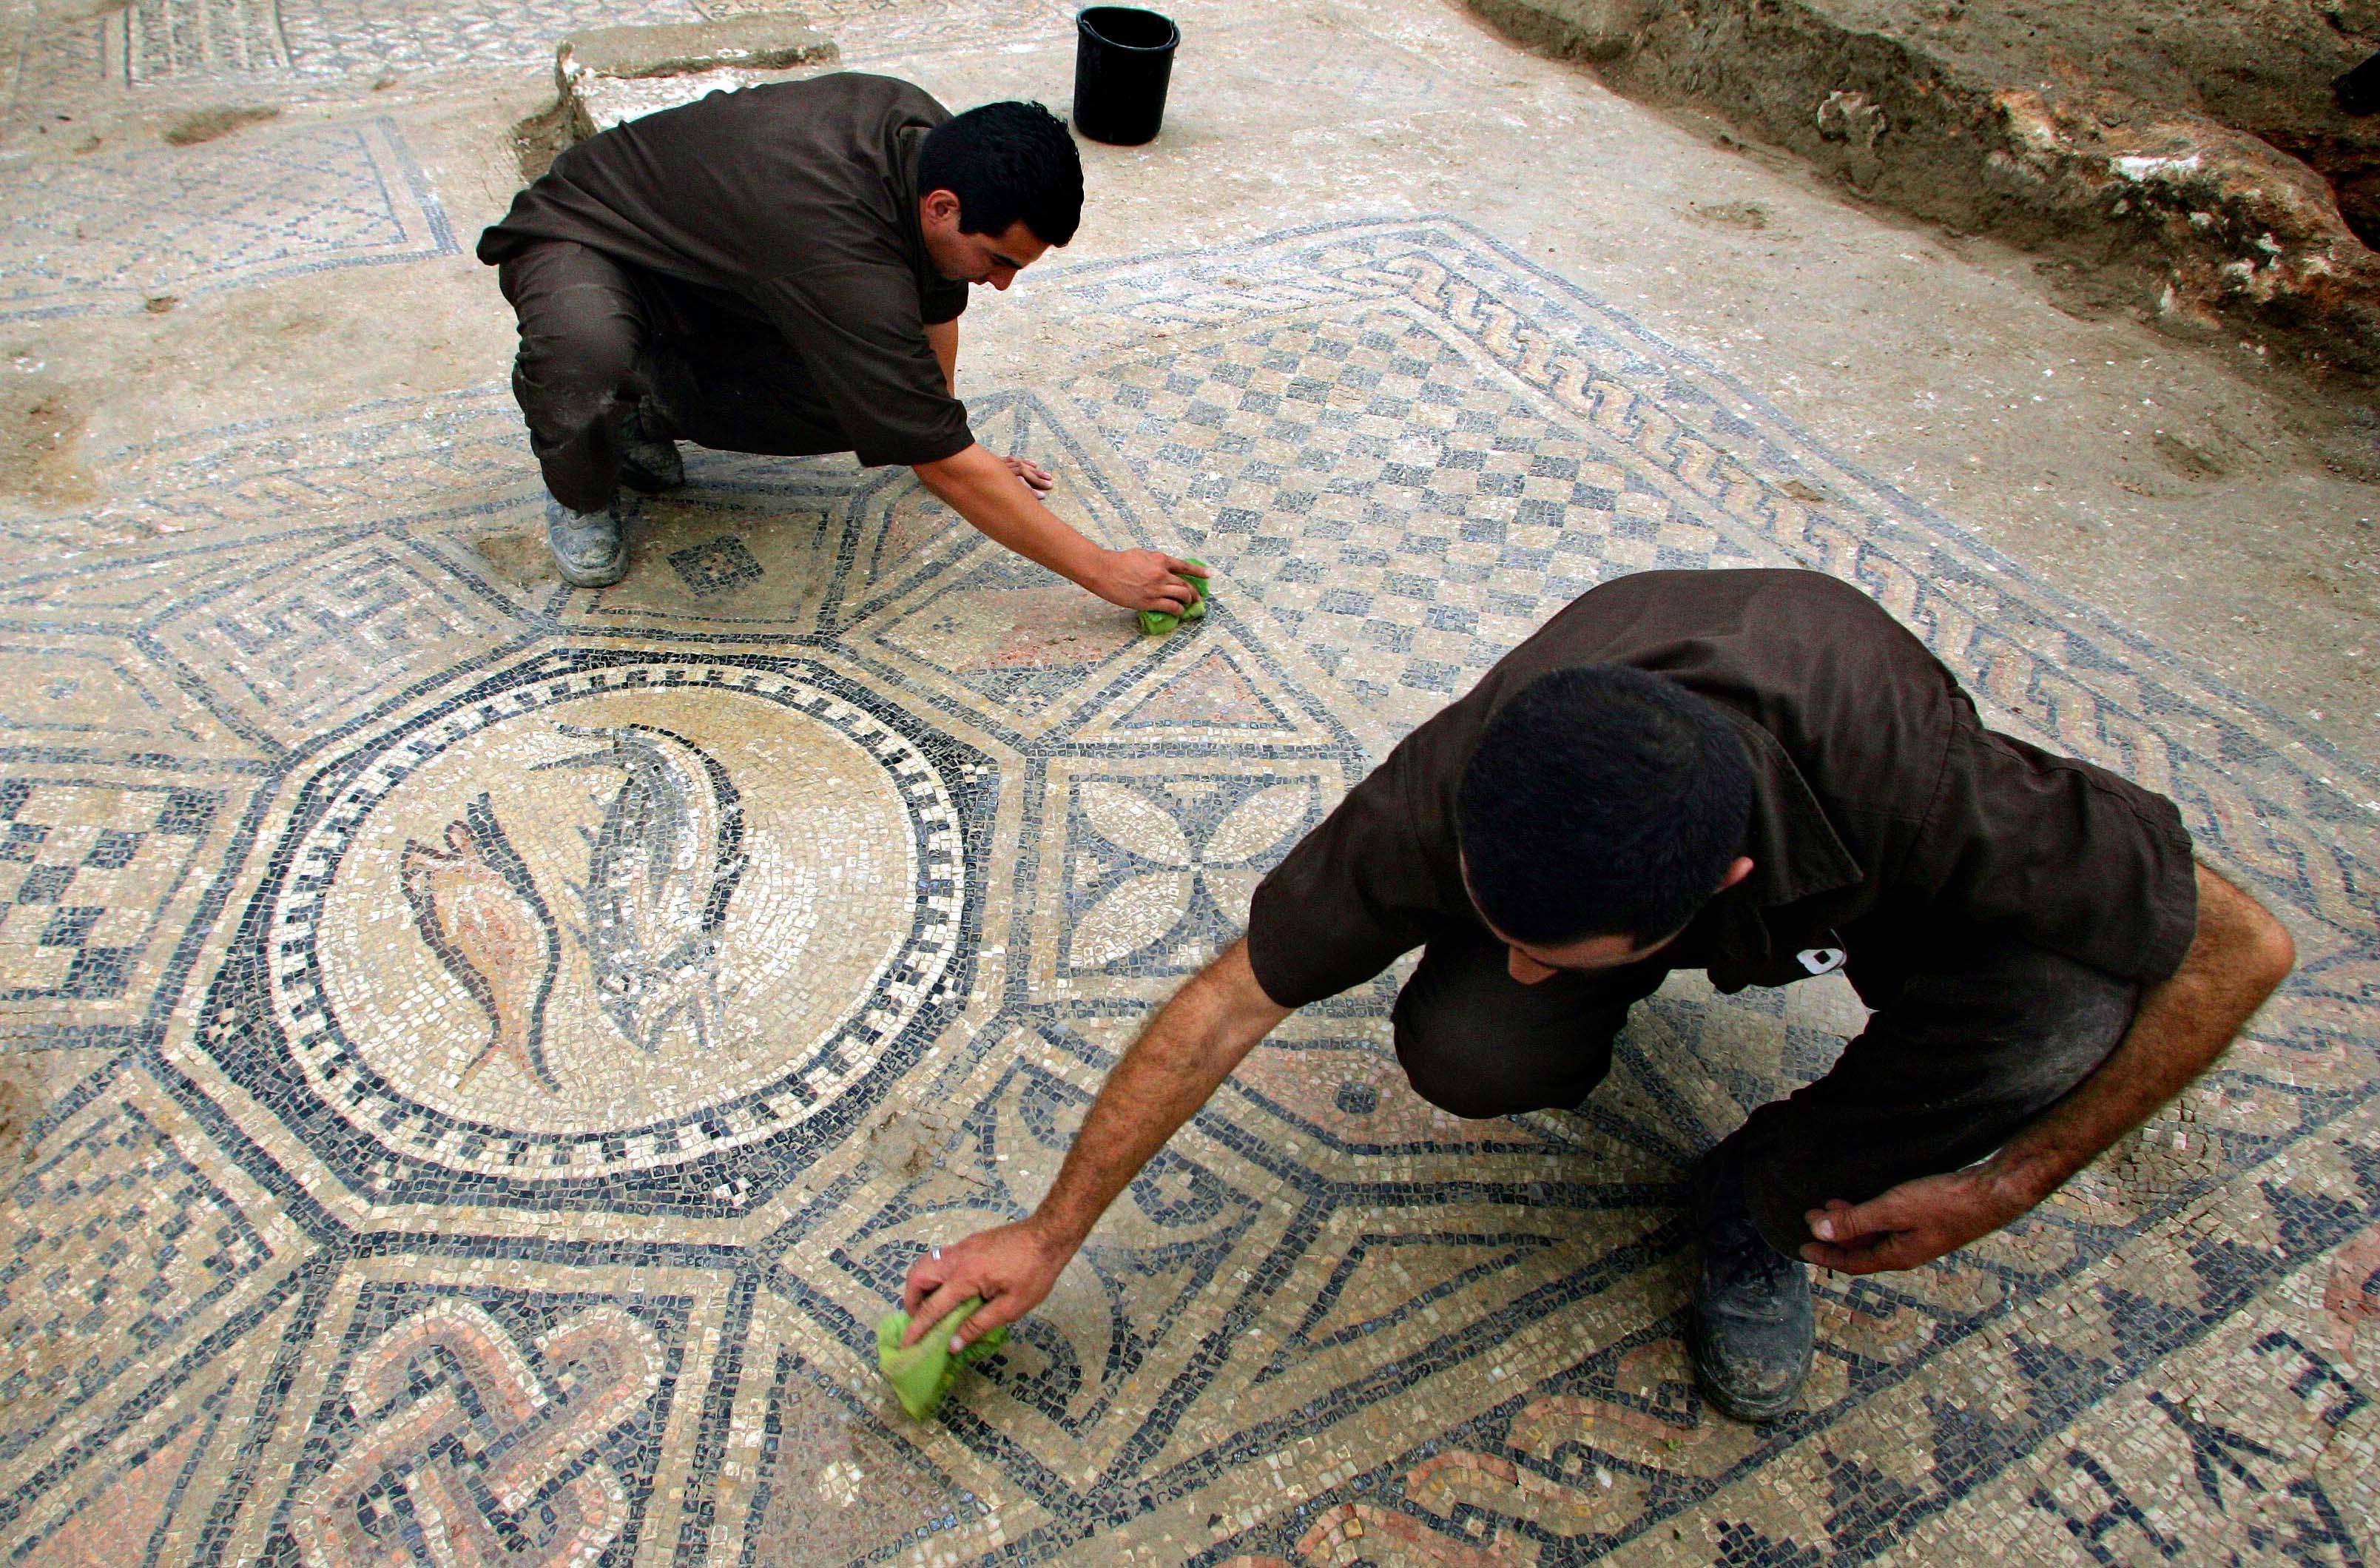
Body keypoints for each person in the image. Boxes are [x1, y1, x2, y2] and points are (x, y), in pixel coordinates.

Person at [900, 568, 2296, 1421]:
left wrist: (2010, 1182)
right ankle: (1587, 1008)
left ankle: (1755, 1197)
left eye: (1551, 947)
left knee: (2059, 1011)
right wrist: (1050, 1227)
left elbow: (2245, 946)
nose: (1508, 954)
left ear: (1724, 887)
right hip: (1657, 794)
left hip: (1858, 805)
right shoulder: (1445, 794)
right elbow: (1221, 1004)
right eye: (1495, 921)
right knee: (1470, 1040)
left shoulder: (1933, 791)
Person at [477, 73, 1199, 610]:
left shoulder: (933, 149)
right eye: (1000, 261)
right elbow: (933, 462)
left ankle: (649, 413)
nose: (1003, 284)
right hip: (587, 239)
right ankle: (582, 479)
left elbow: (931, 327)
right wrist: (1101, 569)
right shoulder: (836, 243)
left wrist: (953, 436)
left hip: (723, 272)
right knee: (585, 350)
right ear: (943, 208)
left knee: (873, 404)